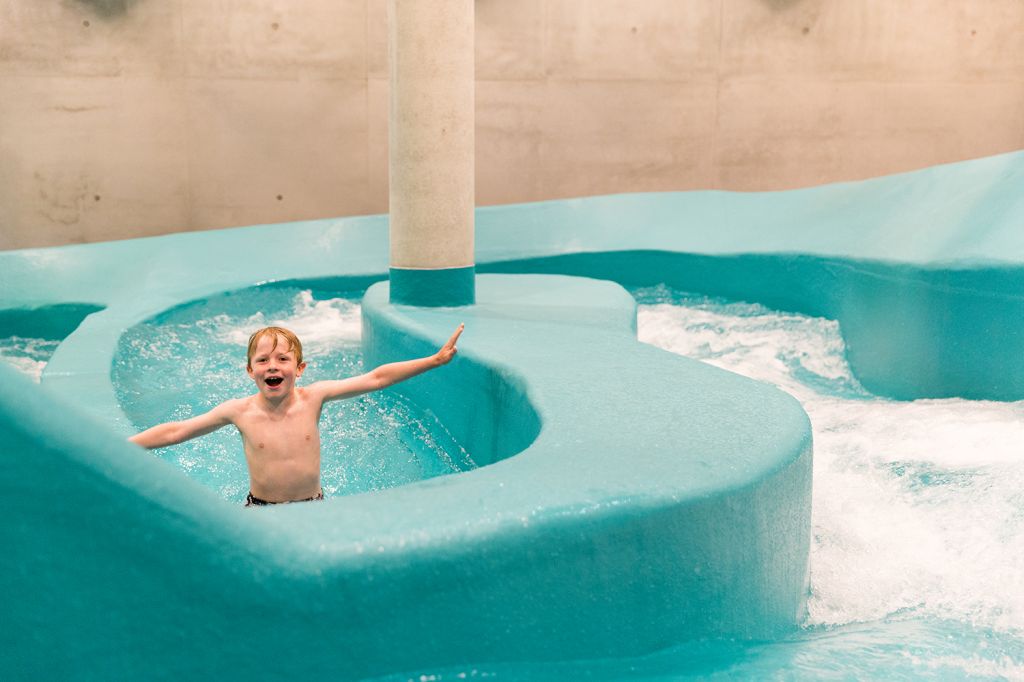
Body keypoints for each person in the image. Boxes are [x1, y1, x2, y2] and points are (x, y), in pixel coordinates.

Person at [129, 323, 464, 506]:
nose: (272, 366)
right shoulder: (239, 411)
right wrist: (123, 446)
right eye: (262, 361)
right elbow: (176, 432)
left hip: (313, 505)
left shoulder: (314, 398)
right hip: (261, 510)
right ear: (250, 371)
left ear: (300, 369)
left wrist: (433, 361)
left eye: (282, 359)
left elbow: (375, 378)